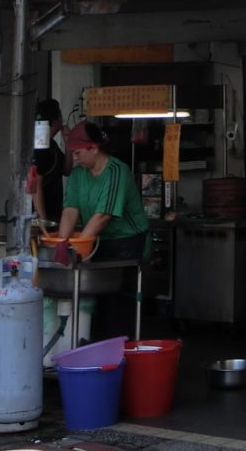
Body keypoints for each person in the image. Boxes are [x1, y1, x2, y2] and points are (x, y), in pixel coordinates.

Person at [57, 121, 149, 339]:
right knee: (97, 300)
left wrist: (79, 247)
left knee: (119, 302)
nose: (75, 159)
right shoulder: (79, 175)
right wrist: (62, 241)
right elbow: (70, 210)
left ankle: (121, 352)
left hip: (126, 242)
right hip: (97, 241)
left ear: (94, 148)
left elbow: (103, 216)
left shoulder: (117, 171)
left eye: (78, 153)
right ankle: (94, 349)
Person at [28, 97, 67, 225]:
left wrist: (69, 144)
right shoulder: (40, 147)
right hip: (43, 215)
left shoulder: (52, 145)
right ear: (56, 121)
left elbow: (67, 170)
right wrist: (43, 221)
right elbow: (36, 186)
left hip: (54, 213)